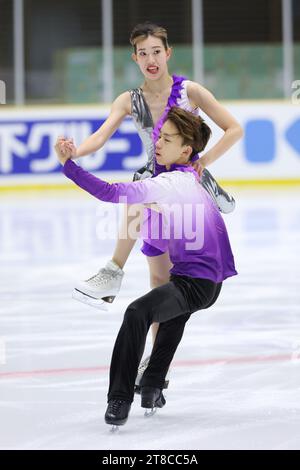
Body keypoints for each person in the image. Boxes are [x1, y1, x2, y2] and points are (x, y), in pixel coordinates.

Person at [55, 106, 238, 427]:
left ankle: (119, 398)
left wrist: (68, 166)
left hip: (196, 281)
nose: (157, 143)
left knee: (137, 313)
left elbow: (111, 193)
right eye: (158, 136)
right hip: (207, 280)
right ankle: (152, 386)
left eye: (166, 139)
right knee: (171, 321)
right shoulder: (190, 180)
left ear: (185, 150)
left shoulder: (170, 183)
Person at [56, 23, 242, 329]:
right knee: (159, 280)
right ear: (135, 59)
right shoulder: (129, 100)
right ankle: (154, 358)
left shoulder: (190, 91)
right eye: (143, 53)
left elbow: (234, 128)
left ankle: (113, 272)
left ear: (168, 53)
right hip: (154, 182)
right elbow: (100, 138)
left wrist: (203, 161)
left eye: (156, 51)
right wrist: (74, 153)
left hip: (184, 186)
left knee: (138, 192)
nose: (150, 59)